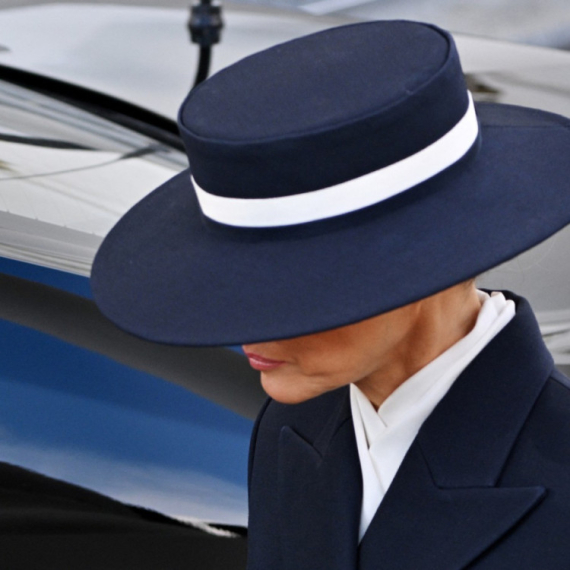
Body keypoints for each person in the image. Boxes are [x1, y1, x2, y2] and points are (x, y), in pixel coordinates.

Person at [91, 20, 570, 569]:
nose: (242, 326)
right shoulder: (295, 428)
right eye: (230, 285)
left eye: (289, 289)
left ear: (425, 264)